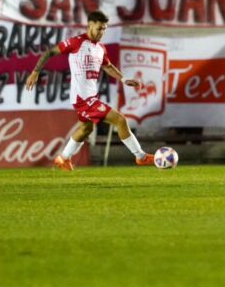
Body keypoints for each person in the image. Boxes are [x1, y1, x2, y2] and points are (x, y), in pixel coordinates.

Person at [25, 10, 156, 171]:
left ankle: (63, 159)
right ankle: (141, 157)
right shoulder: (75, 42)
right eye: (99, 28)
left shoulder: (100, 48)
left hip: (90, 96)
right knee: (120, 120)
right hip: (83, 99)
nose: (102, 32)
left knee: (86, 128)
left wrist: (123, 79)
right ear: (89, 25)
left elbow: (107, 66)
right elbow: (50, 52)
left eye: (105, 29)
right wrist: (36, 72)